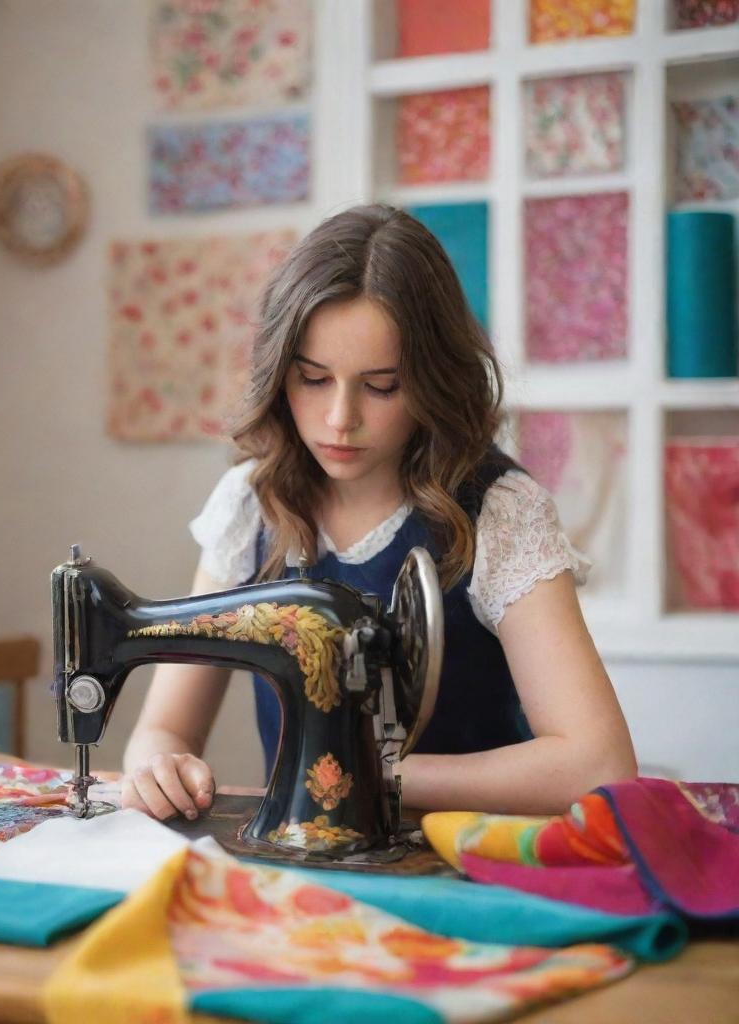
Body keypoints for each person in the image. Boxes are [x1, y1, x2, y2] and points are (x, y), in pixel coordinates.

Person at [122, 204, 637, 821]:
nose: (341, 418)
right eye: (313, 379)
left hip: (465, 873)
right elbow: (165, 731)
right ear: (280, 374)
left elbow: (597, 764)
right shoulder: (250, 507)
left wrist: (376, 772)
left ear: (432, 379)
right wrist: (158, 765)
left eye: (382, 385)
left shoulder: (499, 513)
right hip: (302, 878)